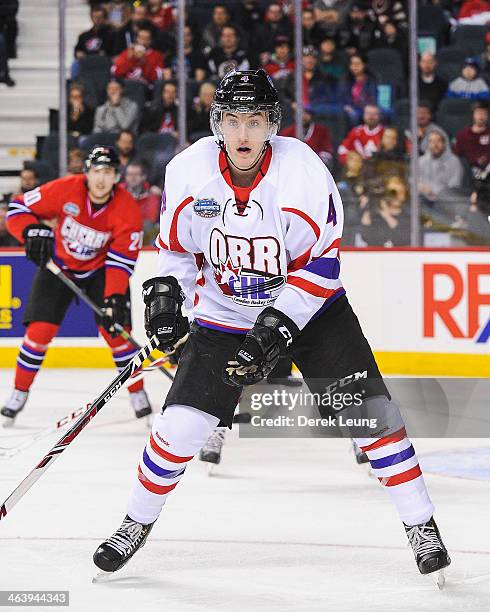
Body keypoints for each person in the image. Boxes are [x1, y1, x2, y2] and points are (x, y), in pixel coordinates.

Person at [93, 69, 451, 583]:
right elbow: (174, 251)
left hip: (312, 313)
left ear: (272, 125)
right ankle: (134, 523)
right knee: (177, 429)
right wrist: (167, 300)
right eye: (233, 120)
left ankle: (422, 525)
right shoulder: (188, 172)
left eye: (255, 120)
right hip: (224, 315)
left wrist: (277, 328)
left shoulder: (303, 174)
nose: (243, 134)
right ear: (217, 122)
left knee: (373, 418)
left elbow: (320, 268)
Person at [2, 146, 151, 423]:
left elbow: (120, 261)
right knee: (38, 333)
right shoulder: (66, 189)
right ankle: (18, 393)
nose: (101, 179)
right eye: (96, 171)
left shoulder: (127, 209)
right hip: (57, 268)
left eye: (108, 172)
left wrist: (114, 297)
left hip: (100, 271)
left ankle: (137, 394)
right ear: (87, 173)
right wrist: (29, 230)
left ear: (117, 176)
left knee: (118, 333)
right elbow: (18, 207)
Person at [418, 130, 464, 203]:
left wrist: (432, 192)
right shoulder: (420, 161)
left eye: (438, 141)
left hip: (447, 202)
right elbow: (415, 182)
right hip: (423, 202)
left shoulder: (454, 161)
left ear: (444, 144)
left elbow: (454, 186)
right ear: (428, 144)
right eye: (431, 141)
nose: (435, 144)